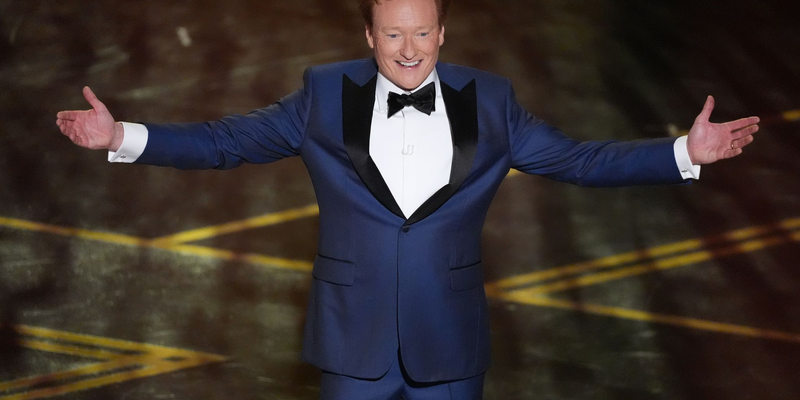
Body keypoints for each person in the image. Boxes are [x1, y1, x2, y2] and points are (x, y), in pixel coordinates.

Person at [56, 0, 759, 398]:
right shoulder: (322, 94)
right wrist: (124, 134)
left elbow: (579, 159)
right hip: (351, 341)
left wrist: (682, 153)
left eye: (423, 32)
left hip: (449, 343)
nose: (410, 48)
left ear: (443, 32)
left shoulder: (492, 99)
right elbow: (224, 142)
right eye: (393, 33)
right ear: (369, 36)